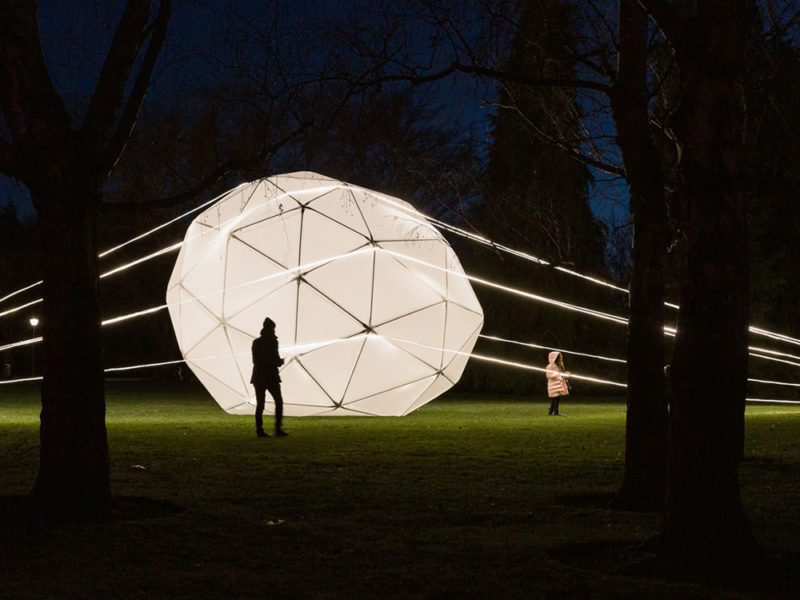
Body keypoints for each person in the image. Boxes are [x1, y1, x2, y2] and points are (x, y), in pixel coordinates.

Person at [251, 317, 288, 437]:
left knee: (260, 403)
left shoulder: (256, 342)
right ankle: (277, 428)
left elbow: (255, 360)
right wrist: (280, 361)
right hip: (270, 376)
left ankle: (259, 430)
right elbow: (275, 360)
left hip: (258, 376)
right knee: (278, 401)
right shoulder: (273, 341)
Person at [545, 351, 571, 416]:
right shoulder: (549, 366)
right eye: (558, 357)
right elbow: (548, 376)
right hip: (553, 384)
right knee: (555, 398)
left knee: (556, 398)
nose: (560, 359)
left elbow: (561, 374)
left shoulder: (559, 365)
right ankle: (553, 412)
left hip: (559, 384)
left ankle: (552, 412)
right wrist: (555, 375)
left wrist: (566, 374)